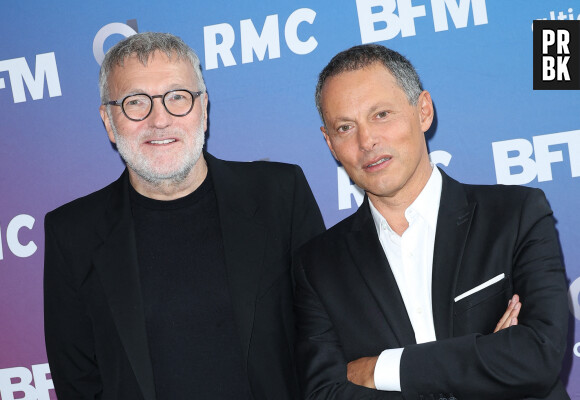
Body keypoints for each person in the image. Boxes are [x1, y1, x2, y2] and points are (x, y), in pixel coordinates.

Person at [43, 32, 325, 400]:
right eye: (135, 102)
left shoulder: (279, 194)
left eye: (177, 97)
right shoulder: (72, 233)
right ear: (110, 122)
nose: (159, 119)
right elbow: (77, 383)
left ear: (203, 110)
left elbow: (324, 340)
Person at [294, 44, 569, 399]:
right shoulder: (317, 265)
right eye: (345, 127)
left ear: (423, 111)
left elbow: (537, 356)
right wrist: (489, 358)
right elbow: (326, 394)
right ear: (330, 144)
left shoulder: (515, 214)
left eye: (381, 115)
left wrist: (382, 369)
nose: (367, 141)